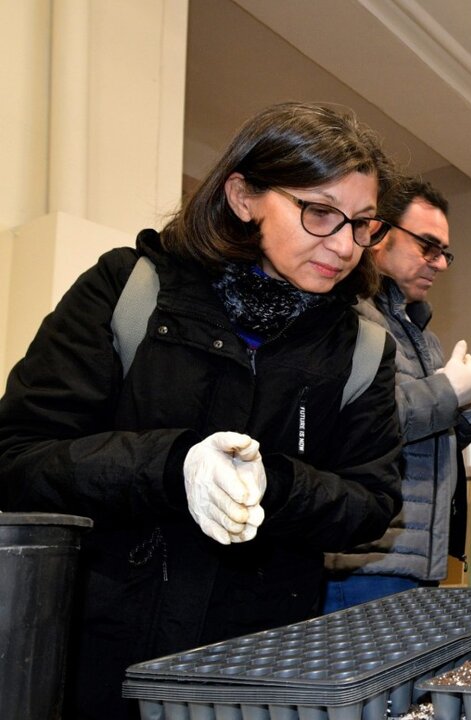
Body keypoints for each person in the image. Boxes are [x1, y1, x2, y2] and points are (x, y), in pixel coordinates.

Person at [0, 102, 404, 720]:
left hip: (259, 668)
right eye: (320, 213)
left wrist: (277, 483)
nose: (346, 245)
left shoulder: (363, 348)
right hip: (100, 657)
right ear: (243, 197)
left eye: (362, 224)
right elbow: (19, 457)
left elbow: (370, 503)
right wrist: (172, 465)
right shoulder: (127, 290)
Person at [323, 177, 471, 610]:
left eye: (444, 252)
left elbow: (423, 440)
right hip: (364, 563)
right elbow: (356, 425)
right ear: (378, 233)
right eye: (427, 246)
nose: (439, 263)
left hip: (417, 561)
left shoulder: (422, 336)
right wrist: (446, 391)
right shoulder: (346, 316)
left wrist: (467, 408)